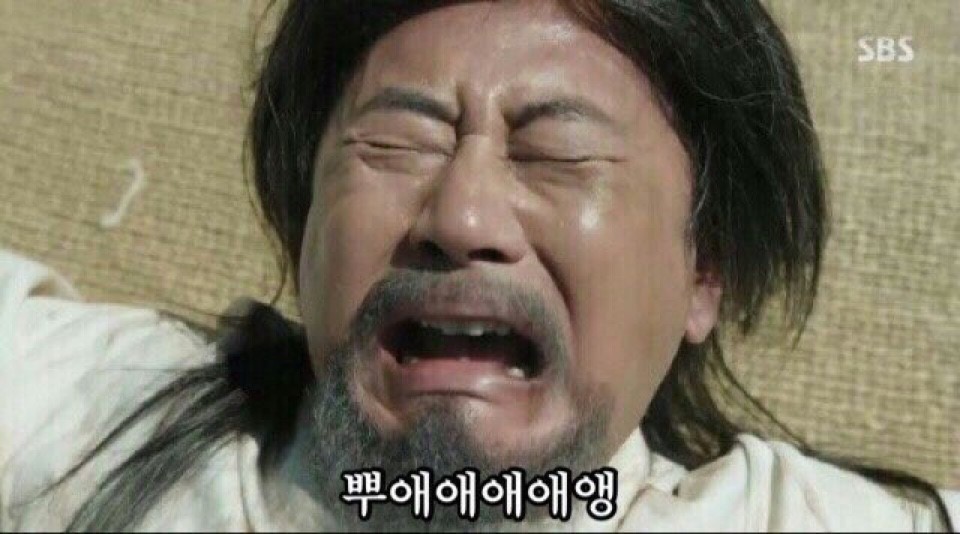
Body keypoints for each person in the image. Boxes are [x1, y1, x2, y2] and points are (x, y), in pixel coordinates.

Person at [0, 0, 956, 531]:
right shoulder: (74, 421)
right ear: (304, 229)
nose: (461, 217)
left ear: (704, 271)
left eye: (559, 152)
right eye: (397, 141)